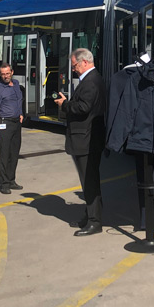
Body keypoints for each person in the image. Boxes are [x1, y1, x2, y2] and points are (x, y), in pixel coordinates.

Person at [53, 48, 107, 236]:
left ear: (85, 62)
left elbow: (84, 107)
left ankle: (95, 221)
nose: (73, 69)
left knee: (89, 181)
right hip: (87, 138)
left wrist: (65, 105)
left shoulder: (91, 82)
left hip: (86, 139)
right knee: (88, 181)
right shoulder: (92, 80)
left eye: (75, 65)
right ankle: (90, 216)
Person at [0, 63, 24, 195]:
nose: (5, 76)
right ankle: (4, 183)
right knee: (4, 154)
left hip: (16, 123)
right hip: (4, 123)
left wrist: (20, 113)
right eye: (3, 74)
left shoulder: (16, 84)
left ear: (12, 72)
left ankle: (11, 180)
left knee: (14, 153)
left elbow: (18, 100)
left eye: (7, 73)